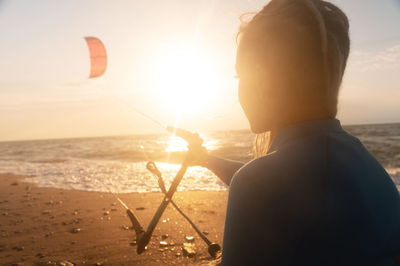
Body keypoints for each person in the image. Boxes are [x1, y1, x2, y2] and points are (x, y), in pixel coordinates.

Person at [190, 0, 400, 265]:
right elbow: (292, 186)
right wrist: (205, 158)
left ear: (262, 82)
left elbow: (268, 185)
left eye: (239, 76)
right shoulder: (373, 175)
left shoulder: (259, 185)